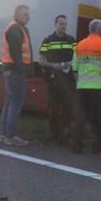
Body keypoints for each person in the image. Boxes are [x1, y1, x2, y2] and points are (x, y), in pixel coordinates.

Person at [71, 19, 101, 153]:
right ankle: (98, 147)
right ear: (99, 30)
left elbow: (74, 68)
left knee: (80, 117)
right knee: (97, 118)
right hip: (98, 87)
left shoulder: (79, 45)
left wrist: (78, 82)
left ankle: (76, 145)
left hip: (82, 86)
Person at [38, 14, 77, 144]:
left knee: (67, 108)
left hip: (68, 80)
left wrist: (71, 65)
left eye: (65, 24)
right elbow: (41, 60)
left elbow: (77, 58)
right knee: (54, 108)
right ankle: (52, 134)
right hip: (53, 80)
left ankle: (65, 135)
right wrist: (53, 65)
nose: (63, 26)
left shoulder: (71, 40)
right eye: (61, 24)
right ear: (55, 25)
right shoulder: (48, 40)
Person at [0, 5, 33, 147]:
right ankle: (10, 135)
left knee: (9, 102)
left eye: (28, 14)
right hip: (15, 72)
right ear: (17, 15)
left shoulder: (17, 28)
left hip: (12, 70)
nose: (28, 17)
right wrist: (23, 70)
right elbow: (16, 53)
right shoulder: (15, 29)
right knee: (15, 103)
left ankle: (4, 134)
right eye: (25, 14)